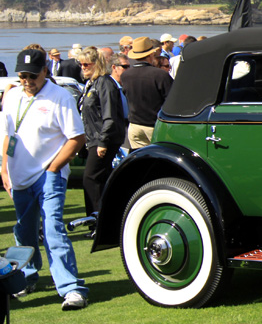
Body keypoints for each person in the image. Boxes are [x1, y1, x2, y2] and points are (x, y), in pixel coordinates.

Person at [0, 48, 88, 310]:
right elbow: (8, 135)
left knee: (52, 229)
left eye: (33, 75)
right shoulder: (12, 94)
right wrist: (4, 168)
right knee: (23, 232)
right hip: (19, 176)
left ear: (45, 72)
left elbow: (77, 138)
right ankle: (27, 277)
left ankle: (72, 289)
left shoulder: (59, 96)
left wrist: (53, 168)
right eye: (23, 75)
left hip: (49, 174)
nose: (27, 80)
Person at [77, 46, 127, 218]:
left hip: (102, 138)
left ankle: (97, 219)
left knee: (91, 178)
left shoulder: (104, 83)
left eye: (86, 64)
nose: (83, 67)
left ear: (95, 64)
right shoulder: (91, 84)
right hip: (93, 138)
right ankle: (102, 218)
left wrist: (103, 142)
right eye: (81, 64)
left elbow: (110, 115)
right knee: (100, 177)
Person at [120, 36, 174, 149]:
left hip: (135, 125)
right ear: (151, 54)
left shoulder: (125, 75)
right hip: (154, 125)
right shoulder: (160, 75)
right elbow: (171, 101)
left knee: (141, 161)